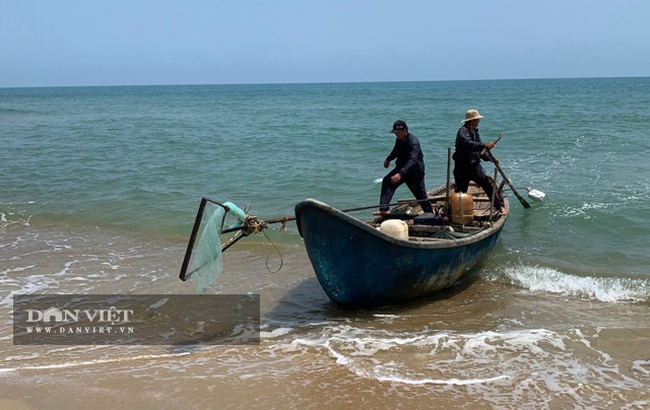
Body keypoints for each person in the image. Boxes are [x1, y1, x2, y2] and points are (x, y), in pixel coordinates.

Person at [452, 109, 507, 215]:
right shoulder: (462, 132)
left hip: (474, 166)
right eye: (477, 120)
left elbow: (480, 152)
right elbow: (468, 143)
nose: (478, 122)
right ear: (472, 121)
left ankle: (499, 206)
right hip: (462, 167)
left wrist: (492, 159)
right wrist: (484, 145)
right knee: (460, 193)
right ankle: (456, 213)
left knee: (487, 184)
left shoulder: (475, 132)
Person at [377, 120, 433, 214]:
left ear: (405, 130)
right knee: (387, 181)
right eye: (395, 133)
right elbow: (396, 151)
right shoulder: (399, 140)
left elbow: (413, 160)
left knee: (421, 196)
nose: (397, 135)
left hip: (414, 172)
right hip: (402, 169)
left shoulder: (413, 142)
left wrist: (400, 174)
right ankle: (384, 209)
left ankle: (430, 215)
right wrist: (388, 159)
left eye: (398, 132)